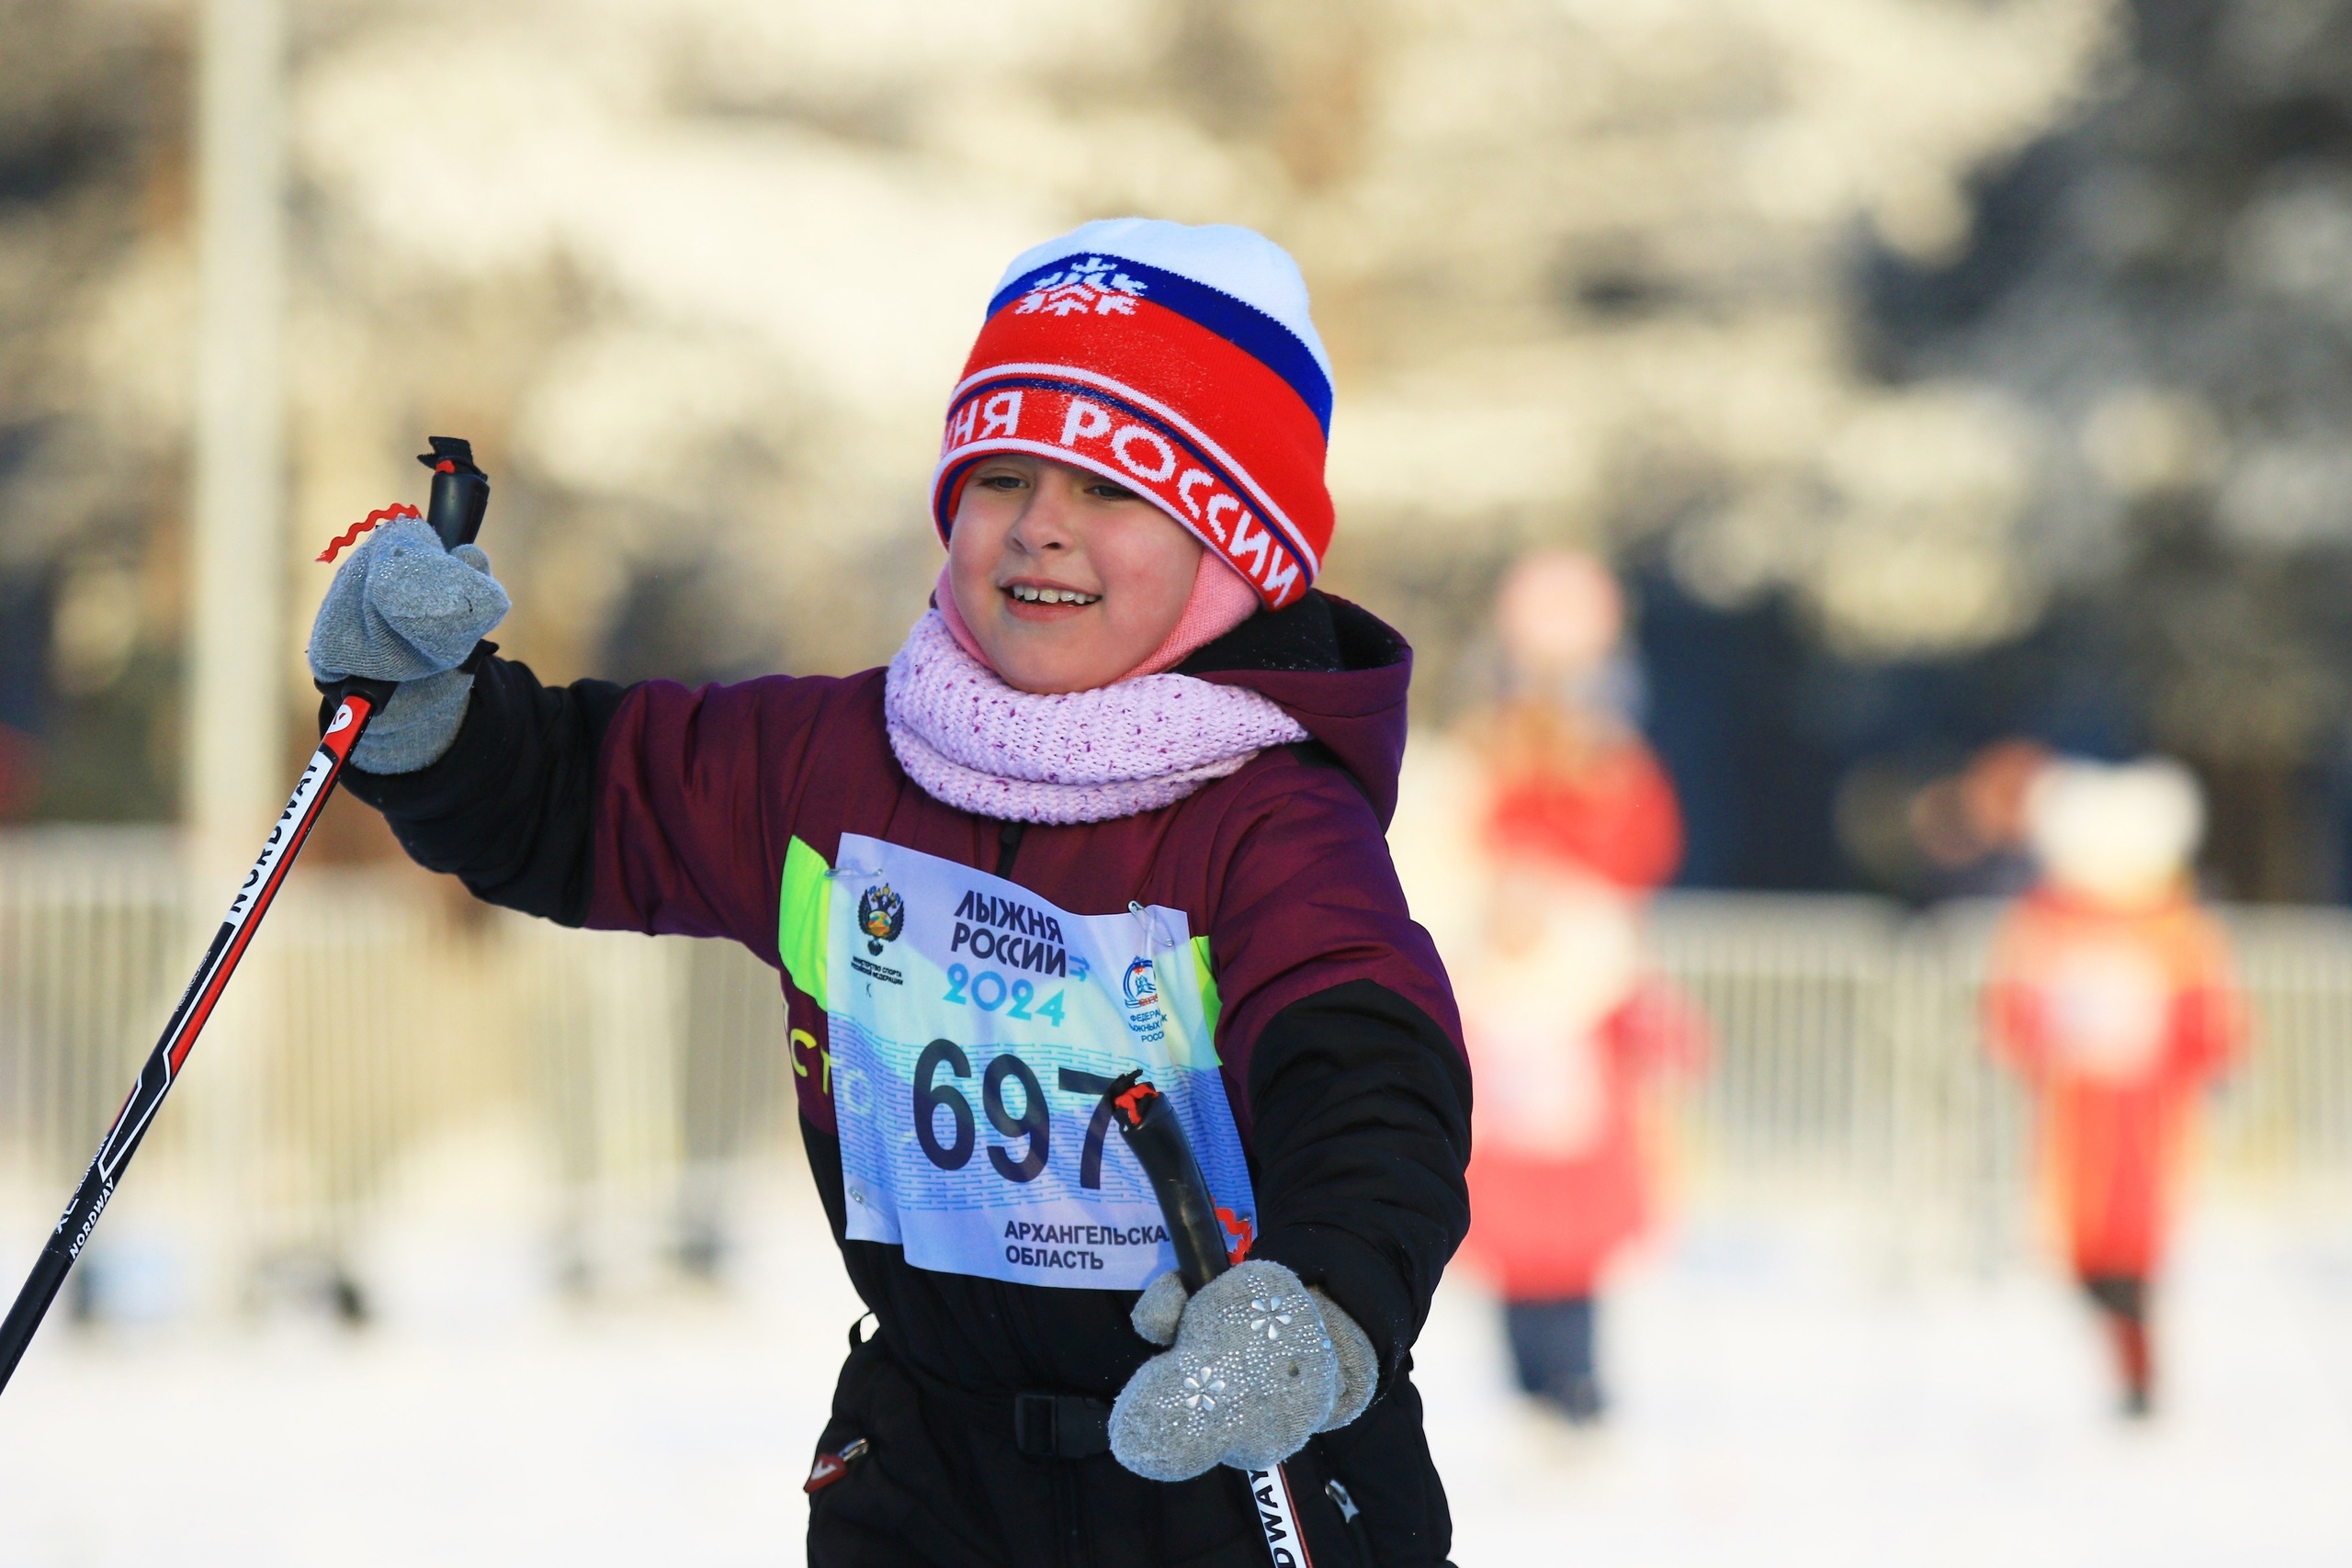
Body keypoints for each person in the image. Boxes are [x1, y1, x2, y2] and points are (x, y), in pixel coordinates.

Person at [306, 220, 1471, 1565]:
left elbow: (1374, 1076)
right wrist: (429, 715)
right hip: (928, 1472)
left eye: (1113, 490)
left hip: (1237, 1468)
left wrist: (1320, 1300)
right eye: (1003, 476)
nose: (1041, 524)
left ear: (1233, 547)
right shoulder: (838, 762)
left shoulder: (1271, 819)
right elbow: (582, 796)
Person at [1400, 552, 1700, 1425]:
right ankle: (1535, 1384)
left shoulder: (1616, 781)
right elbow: (1443, 860)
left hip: (1572, 1025)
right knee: (1506, 1221)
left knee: (1574, 1226)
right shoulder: (1476, 778)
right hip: (1500, 1016)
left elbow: (1634, 863)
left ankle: (1572, 1380)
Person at [1984, 758, 2243, 1418]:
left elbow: (2206, 1008)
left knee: (2137, 1239)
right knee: (2078, 1240)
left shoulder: (2176, 925)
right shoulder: (2049, 920)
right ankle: (2122, 1339)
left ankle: (2137, 1366)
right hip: (2076, 1106)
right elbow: (2016, 1001)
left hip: (2151, 1108)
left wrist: (2211, 1054)